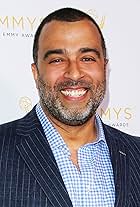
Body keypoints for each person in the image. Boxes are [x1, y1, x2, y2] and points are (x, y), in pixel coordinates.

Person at [0, 7, 140, 207]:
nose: (74, 74)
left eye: (87, 58)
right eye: (57, 60)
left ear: (104, 68)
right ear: (36, 72)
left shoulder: (136, 154)